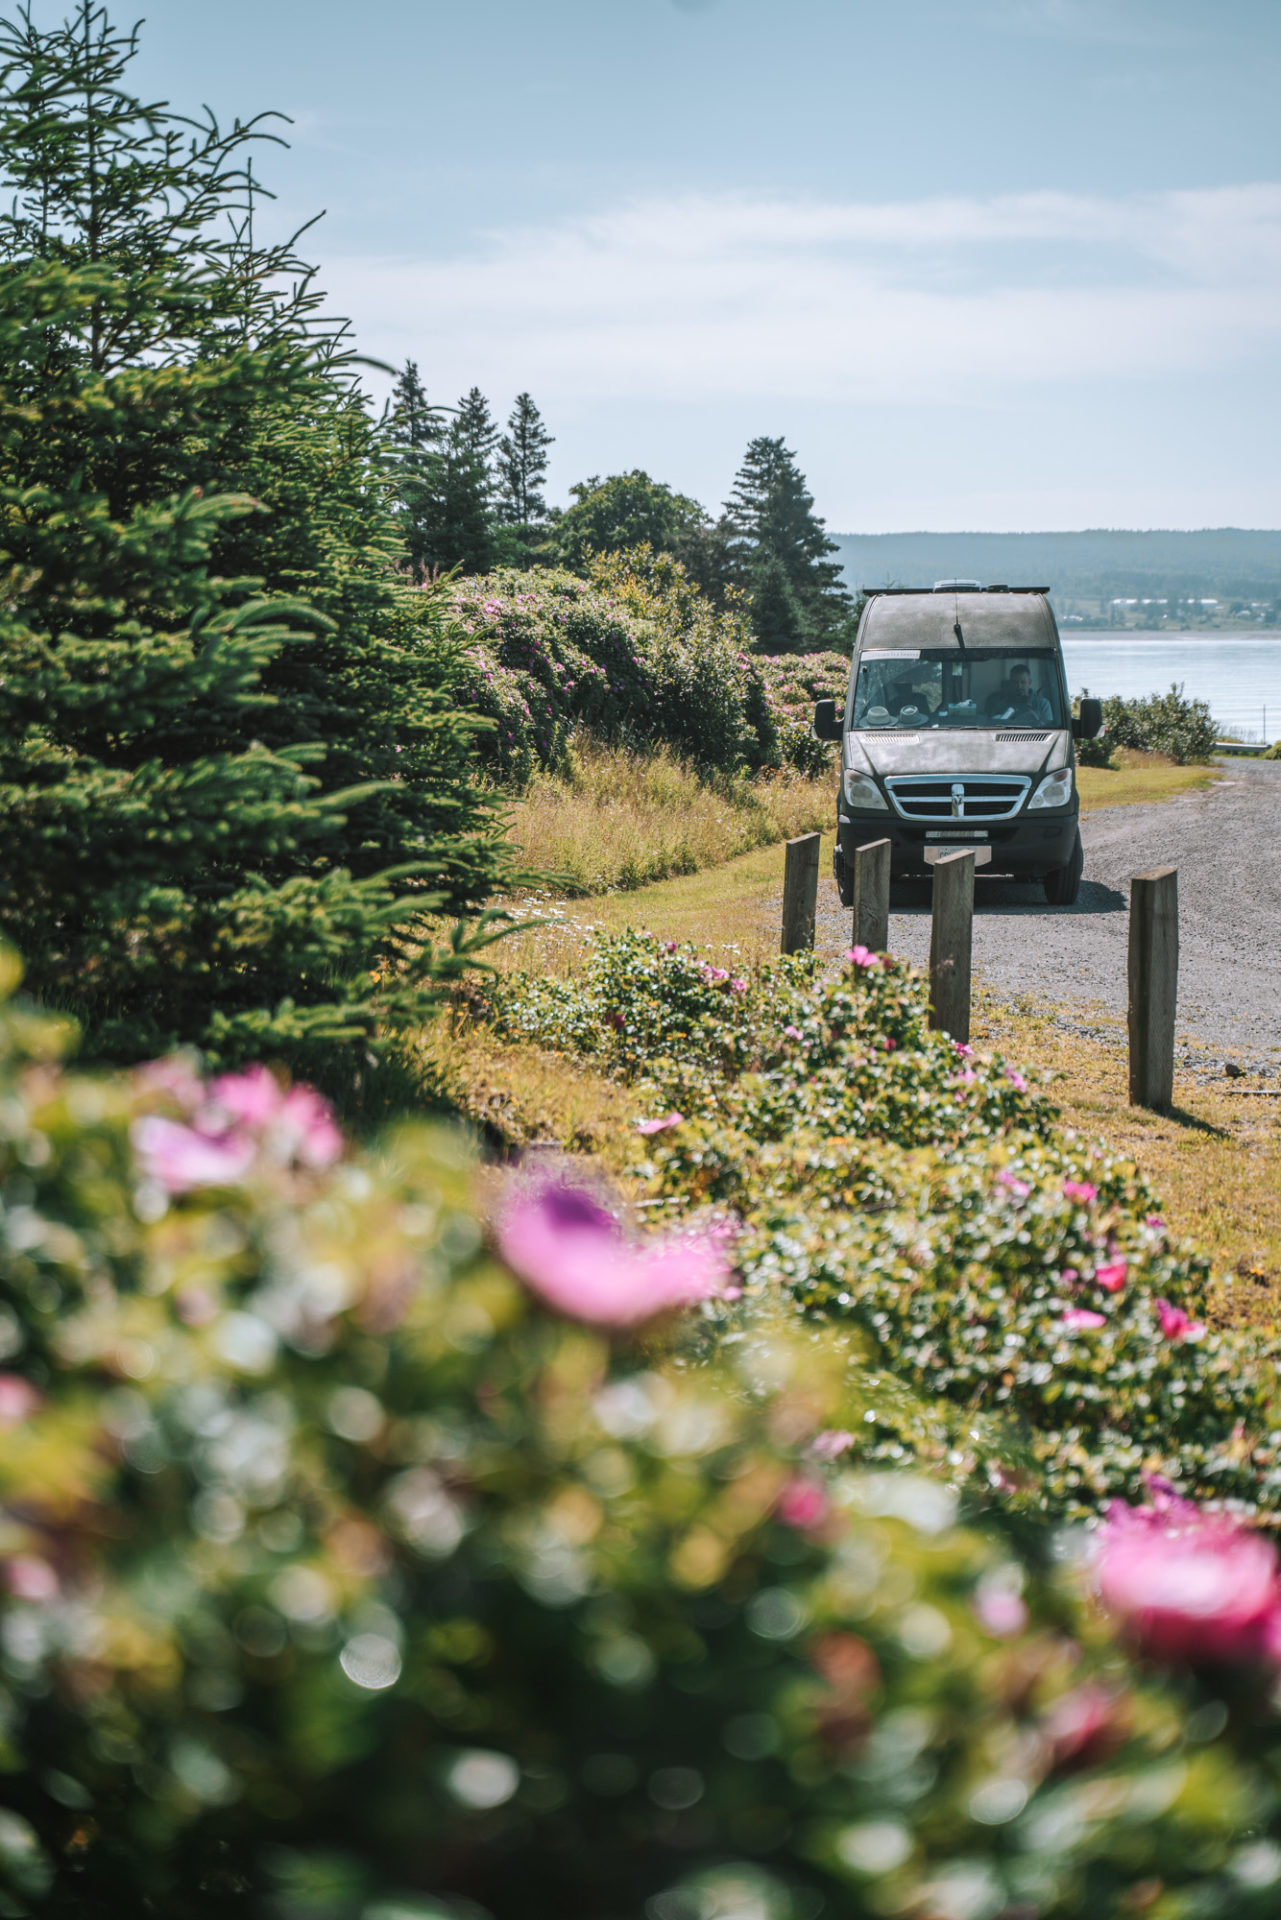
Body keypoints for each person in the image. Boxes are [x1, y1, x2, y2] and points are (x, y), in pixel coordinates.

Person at [987, 662, 1052, 725]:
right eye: (1015, 682)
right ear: (1010, 683)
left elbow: (1049, 728)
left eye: (1023, 682)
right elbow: (991, 725)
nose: (1019, 686)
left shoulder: (1043, 704)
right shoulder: (999, 704)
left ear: (1029, 682)